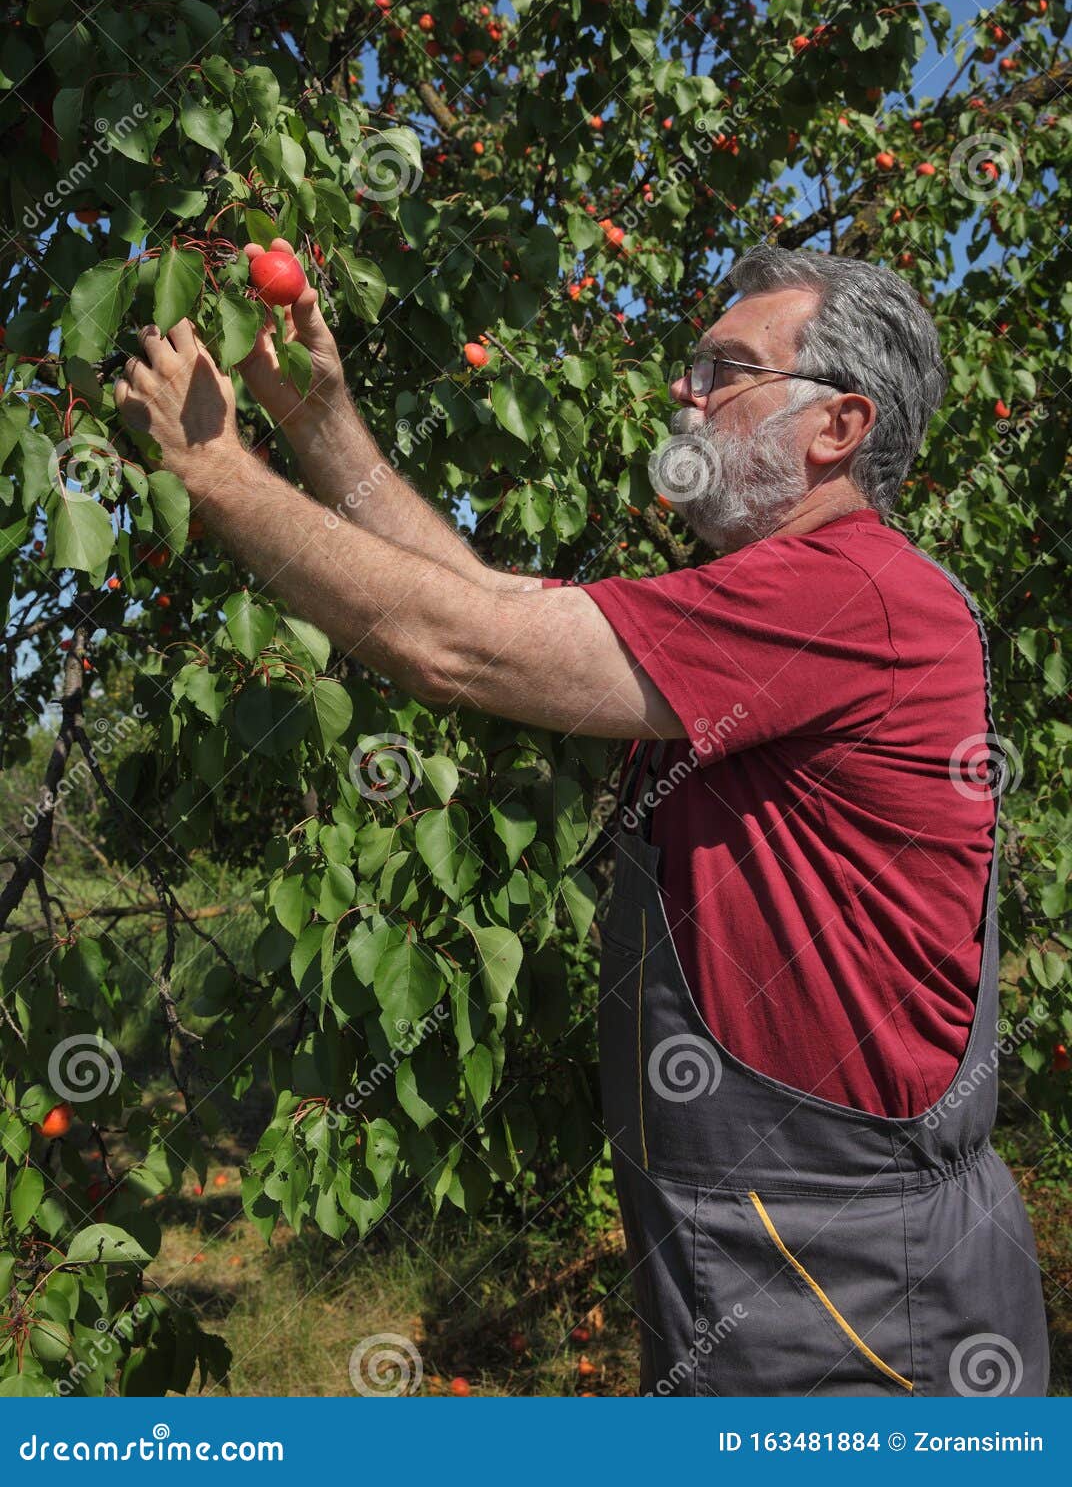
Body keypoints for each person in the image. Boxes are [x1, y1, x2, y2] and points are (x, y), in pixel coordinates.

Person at [118, 241, 1049, 1397]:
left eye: (725, 367)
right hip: (780, 1256)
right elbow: (485, 601)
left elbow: (454, 648)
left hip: (856, 1290)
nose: (682, 388)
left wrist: (216, 472)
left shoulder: (847, 594)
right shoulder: (764, 605)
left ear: (837, 426)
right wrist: (320, 420)